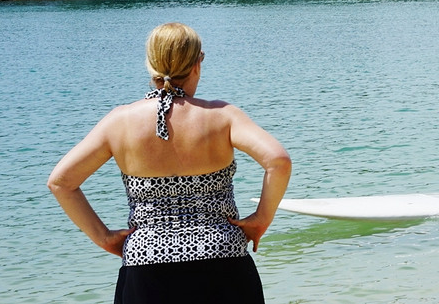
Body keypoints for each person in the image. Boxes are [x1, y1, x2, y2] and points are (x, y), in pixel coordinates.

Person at [48, 22, 292, 304]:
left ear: (149, 66)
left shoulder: (119, 121)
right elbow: (278, 161)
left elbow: (61, 182)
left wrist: (103, 237)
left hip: (146, 263)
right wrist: (261, 219)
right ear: (197, 64)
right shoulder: (223, 116)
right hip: (223, 257)